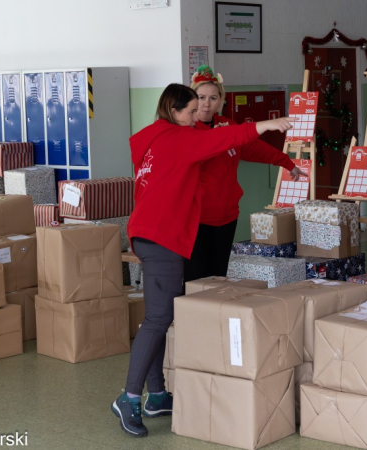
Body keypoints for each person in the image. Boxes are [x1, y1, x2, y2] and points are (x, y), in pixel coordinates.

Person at [111, 83, 296, 437]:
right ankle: (130, 397)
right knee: (158, 318)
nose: (199, 116)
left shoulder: (153, 138)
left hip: (150, 233)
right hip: (162, 236)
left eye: (203, 108)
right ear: (175, 110)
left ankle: (157, 395)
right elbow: (221, 141)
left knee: (158, 315)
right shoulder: (178, 138)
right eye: (193, 110)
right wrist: (264, 125)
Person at [184, 65, 306, 283]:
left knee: (218, 276)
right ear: (192, 99)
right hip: (196, 218)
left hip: (226, 217)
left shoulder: (229, 127)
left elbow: (256, 148)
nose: (206, 104)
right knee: (194, 278)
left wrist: (288, 163)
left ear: (220, 100)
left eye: (213, 98)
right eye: (201, 97)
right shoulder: (186, 132)